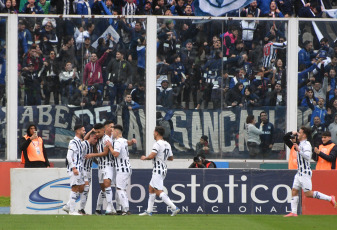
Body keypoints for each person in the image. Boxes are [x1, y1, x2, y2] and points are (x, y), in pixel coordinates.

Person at [284, 127, 337, 217]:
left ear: (304, 135)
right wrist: (295, 143)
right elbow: (286, 138)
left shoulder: (306, 144)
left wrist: (299, 150)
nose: (298, 134)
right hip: (299, 172)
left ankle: (330, 198)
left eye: (300, 133)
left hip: (305, 172)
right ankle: (294, 212)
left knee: (308, 194)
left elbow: (308, 157)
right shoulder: (300, 143)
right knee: (294, 190)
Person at [139, 126, 180, 216]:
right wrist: (162, 157)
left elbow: (152, 155)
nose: (153, 133)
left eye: (154, 132)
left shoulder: (157, 144)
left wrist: (145, 158)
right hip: (163, 169)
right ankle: (149, 211)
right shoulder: (167, 144)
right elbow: (171, 158)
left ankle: (174, 208)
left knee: (158, 191)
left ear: (157, 133)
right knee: (151, 188)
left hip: (158, 169)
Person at [85, 122, 116, 215]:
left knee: (107, 184)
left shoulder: (106, 139)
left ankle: (109, 208)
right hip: (100, 166)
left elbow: (105, 153)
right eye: (96, 132)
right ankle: (98, 209)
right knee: (103, 188)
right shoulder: (98, 139)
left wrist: (92, 155)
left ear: (103, 130)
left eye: (98, 132)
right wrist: (92, 130)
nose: (97, 134)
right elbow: (85, 139)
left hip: (108, 165)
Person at [106, 125, 132, 215]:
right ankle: (125, 209)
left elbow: (116, 154)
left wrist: (109, 147)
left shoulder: (117, 141)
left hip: (122, 168)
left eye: (112, 131)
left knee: (120, 189)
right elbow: (129, 143)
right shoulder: (124, 140)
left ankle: (126, 209)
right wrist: (132, 142)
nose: (111, 133)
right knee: (122, 189)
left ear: (116, 132)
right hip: (127, 167)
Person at [62, 124, 86, 216]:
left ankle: (68, 206)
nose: (84, 132)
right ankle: (72, 211)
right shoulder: (73, 142)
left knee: (80, 188)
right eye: (83, 130)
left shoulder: (80, 142)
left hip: (80, 168)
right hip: (75, 169)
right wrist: (74, 168)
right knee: (75, 188)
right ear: (78, 131)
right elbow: (69, 156)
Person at [78, 131, 98, 215]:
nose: (96, 140)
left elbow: (92, 158)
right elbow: (77, 155)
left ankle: (81, 209)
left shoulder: (92, 146)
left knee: (86, 190)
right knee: (84, 188)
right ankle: (75, 208)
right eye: (95, 138)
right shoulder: (84, 144)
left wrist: (99, 163)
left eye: (97, 139)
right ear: (91, 136)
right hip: (83, 169)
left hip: (89, 170)